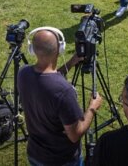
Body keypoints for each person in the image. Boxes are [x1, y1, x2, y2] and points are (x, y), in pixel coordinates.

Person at [17, 27, 101, 166]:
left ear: (32, 50)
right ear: (60, 50)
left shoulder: (23, 73)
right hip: (62, 160)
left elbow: (47, 78)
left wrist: (71, 62)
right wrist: (92, 107)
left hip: (35, 155)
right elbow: (75, 134)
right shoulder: (64, 91)